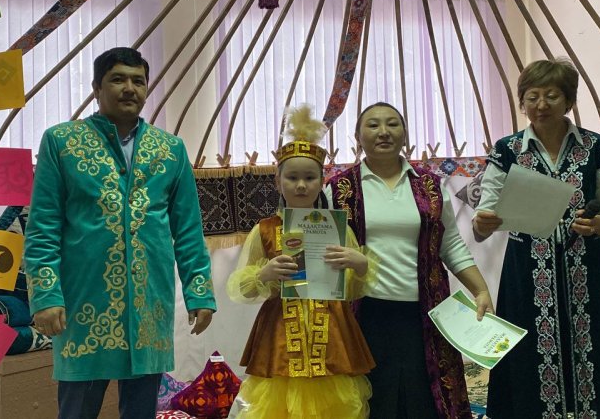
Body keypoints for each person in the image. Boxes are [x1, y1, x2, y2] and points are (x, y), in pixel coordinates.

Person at [24, 47, 216, 419]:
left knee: (141, 410)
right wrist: (46, 295)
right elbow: (43, 226)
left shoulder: (170, 150)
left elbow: (189, 230)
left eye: (138, 81)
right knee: (77, 410)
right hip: (84, 303)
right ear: (96, 88)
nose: (129, 88)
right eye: (117, 79)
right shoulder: (62, 142)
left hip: (149, 304)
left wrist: (200, 292)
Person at [473, 59, 600, 419]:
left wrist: (598, 224)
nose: (541, 105)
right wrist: (484, 221)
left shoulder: (594, 147)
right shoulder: (507, 150)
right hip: (526, 273)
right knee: (527, 353)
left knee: (596, 347)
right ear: (522, 102)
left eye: (552, 96)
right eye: (532, 97)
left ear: (568, 101)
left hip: (588, 270)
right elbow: (482, 220)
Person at [325, 102, 494, 419]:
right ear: (357, 137)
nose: (383, 132)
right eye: (373, 125)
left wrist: (481, 290)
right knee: (372, 401)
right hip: (364, 313)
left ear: (405, 135)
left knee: (424, 401)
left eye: (392, 124)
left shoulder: (430, 186)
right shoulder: (338, 189)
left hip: (426, 312)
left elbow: (450, 243)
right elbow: (321, 248)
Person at [227, 105, 375, 419]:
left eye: (309, 177)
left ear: (322, 181)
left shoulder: (339, 229)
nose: (301, 185)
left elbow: (353, 290)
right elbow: (242, 287)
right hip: (281, 332)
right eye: (292, 177)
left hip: (330, 331)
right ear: (278, 181)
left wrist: (360, 265)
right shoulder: (264, 230)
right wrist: (264, 274)